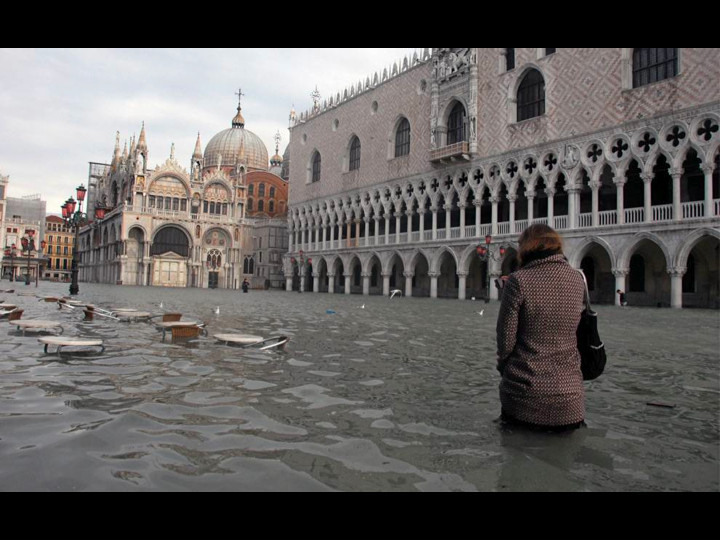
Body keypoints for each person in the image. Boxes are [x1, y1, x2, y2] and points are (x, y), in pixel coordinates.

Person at [496, 224, 586, 433]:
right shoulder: (577, 279)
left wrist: (504, 369)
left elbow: (506, 340)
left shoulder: (519, 281)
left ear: (526, 247)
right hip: (570, 400)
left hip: (525, 397)